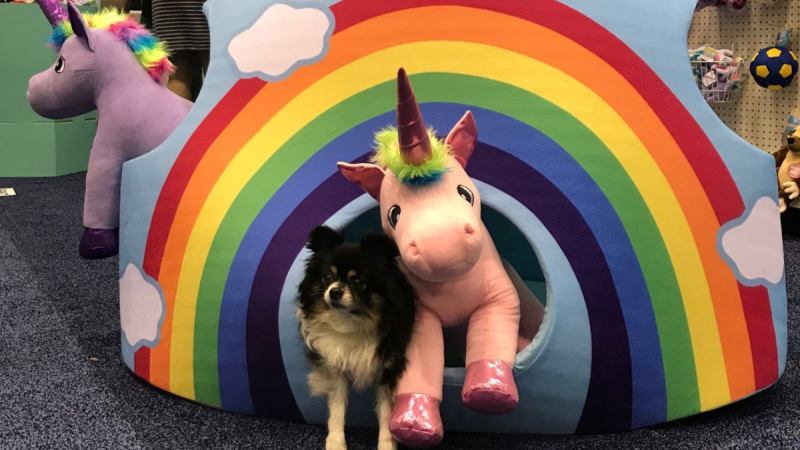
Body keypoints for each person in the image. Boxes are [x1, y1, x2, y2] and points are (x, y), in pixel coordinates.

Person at [149, 0, 209, 101]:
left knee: (178, 77)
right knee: (221, 78)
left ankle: (178, 112)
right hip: (212, 7)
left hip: (169, 9)